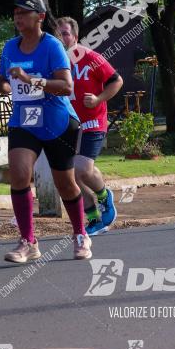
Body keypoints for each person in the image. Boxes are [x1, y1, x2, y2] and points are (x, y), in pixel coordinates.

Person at [0, 0, 92, 262]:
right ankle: (28, 241)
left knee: (65, 184)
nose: (18, 18)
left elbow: (67, 86)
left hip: (56, 122)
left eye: (24, 13)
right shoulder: (10, 47)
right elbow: (9, 85)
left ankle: (80, 233)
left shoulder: (52, 46)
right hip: (25, 120)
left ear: (40, 17)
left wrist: (30, 78)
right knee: (20, 174)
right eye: (15, 13)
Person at [57, 16, 123, 235]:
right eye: (58, 34)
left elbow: (116, 81)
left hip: (93, 122)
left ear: (75, 37)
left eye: (65, 33)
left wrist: (98, 98)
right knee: (73, 175)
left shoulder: (91, 58)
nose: (61, 37)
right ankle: (93, 217)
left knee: (83, 169)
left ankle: (105, 196)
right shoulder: (54, 61)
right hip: (68, 124)